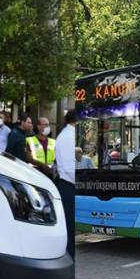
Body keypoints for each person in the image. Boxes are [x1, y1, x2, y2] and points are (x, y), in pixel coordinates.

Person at [55, 110, 76, 259]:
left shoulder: (66, 134)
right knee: (70, 227)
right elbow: (69, 169)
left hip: (67, 184)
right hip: (69, 185)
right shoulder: (69, 137)